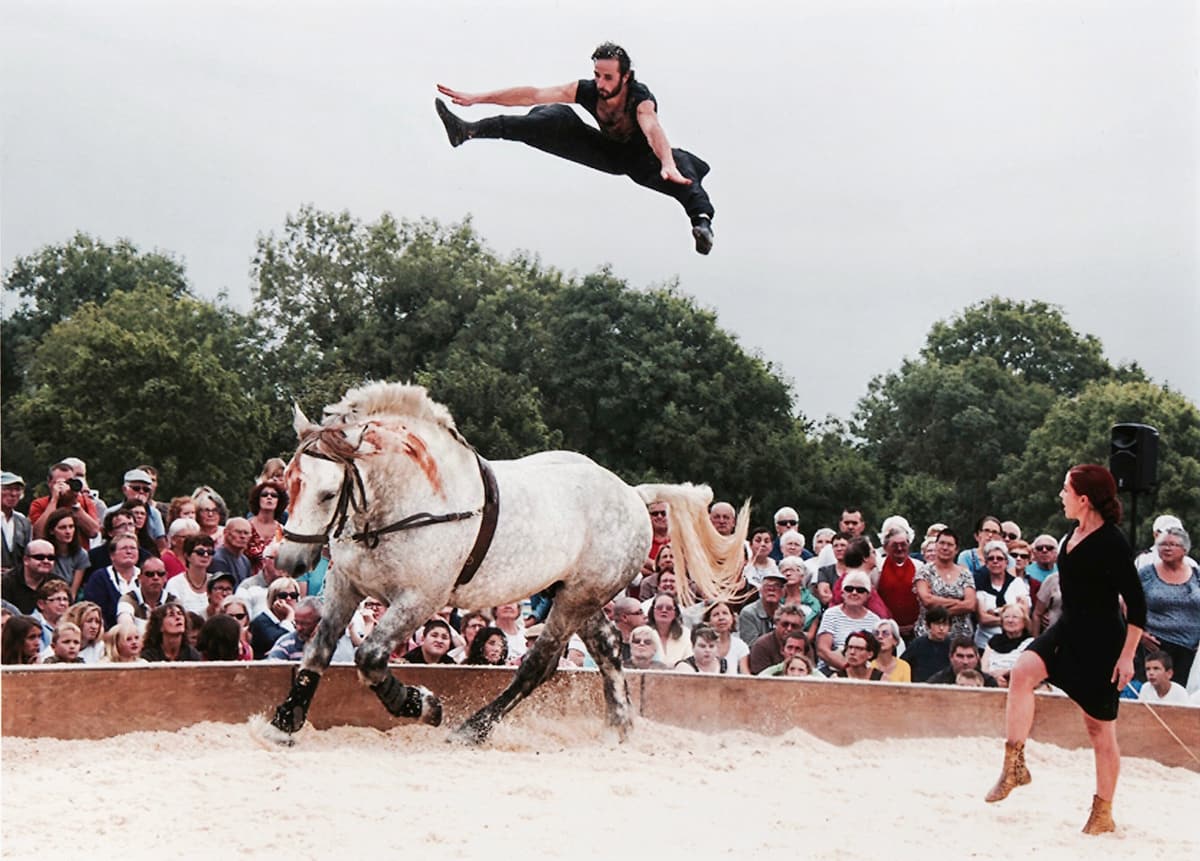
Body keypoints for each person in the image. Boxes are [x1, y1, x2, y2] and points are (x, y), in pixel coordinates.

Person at [435, 41, 717, 254]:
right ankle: (468, 131)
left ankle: (702, 225)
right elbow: (531, 95)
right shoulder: (587, 90)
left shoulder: (640, 99)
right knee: (553, 115)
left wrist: (666, 162)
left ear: (626, 77)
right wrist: (477, 98)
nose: (601, 84)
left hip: (642, 159)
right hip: (604, 152)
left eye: (608, 78)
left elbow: (652, 127)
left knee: (683, 170)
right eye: (597, 75)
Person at [985, 465, 1146, 836]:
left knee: (1099, 730)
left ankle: (1103, 812)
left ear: (1084, 498)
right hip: (1068, 629)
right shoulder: (1070, 534)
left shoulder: (1112, 542)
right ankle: (1014, 765)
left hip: (1103, 642)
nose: (1061, 495)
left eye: (1065, 490)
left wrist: (1126, 656)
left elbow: (1137, 603)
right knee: (1022, 671)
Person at [1135, 525, 1200, 685]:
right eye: (1162, 544)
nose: (1167, 548)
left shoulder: (1197, 575)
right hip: (1155, 647)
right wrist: (1140, 633)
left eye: (1172, 544)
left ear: (1184, 549)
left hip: (1190, 649)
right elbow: (1126, 603)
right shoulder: (1146, 574)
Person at [912, 528, 977, 642]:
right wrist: (957, 602)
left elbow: (970, 604)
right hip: (929, 636)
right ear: (936, 545)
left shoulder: (965, 574)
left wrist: (938, 614)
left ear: (956, 549)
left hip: (960, 637)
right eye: (942, 543)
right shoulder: (924, 572)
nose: (945, 547)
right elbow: (927, 600)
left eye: (950, 544)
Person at [814, 570, 881, 674]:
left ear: (868, 595)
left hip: (863, 673)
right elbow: (822, 650)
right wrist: (848, 670)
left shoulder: (875, 620)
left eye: (860, 590)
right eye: (849, 589)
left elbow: (875, 654)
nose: (854, 593)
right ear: (842, 593)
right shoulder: (831, 614)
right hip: (831, 671)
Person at [973, 539, 1031, 651]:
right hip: (984, 645)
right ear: (986, 563)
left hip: (1015, 645)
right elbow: (983, 619)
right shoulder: (979, 586)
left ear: (1006, 562)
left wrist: (995, 612)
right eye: (991, 558)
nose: (995, 561)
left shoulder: (1017, 583)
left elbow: (1024, 615)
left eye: (999, 558)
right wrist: (1012, 616)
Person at [28, 461, 100, 544]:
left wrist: (74, 504)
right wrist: (54, 500)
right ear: (50, 483)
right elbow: (39, 535)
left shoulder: (85, 502)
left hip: (78, 554)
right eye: (61, 483)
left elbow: (93, 532)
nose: (66, 487)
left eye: (69, 482)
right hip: (51, 554)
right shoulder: (39, 504)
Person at [82, 533, 143, 628]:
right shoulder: (100, 578)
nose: (129, 551)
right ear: (112, 555)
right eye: (124, 548)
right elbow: (94, 611)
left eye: (133, 548)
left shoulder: (147, 575)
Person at [875, 523, 920, 639]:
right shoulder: (877, 567)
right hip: (886, 630)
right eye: (895, 545)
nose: (899, 548)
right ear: (885, 547)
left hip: (914, 629)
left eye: (903, 544)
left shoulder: (919, 566)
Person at [745, 605, 810, 675]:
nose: (789, 629)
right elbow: (761, 679)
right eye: (785, 624)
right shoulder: (761, 645)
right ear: (776, 623)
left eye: (794, 626)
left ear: (801, 628)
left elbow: (811, 671)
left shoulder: (804, 643)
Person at [981, 604, 1034, 688]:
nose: (1010, 620)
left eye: (1015, 617)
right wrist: (994, 677)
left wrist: (1005, 673)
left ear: (1024, 622)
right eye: (1006, 617)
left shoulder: (1031, 643)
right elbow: (984, 667)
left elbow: (1029, 669)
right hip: (991, 682)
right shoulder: (993, 641)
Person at [165, 535, 217, 616]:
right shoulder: (175, 583)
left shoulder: (216, 581)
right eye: (200, 552)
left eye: (210, 552)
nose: (206, 555)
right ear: (187, 556)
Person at [250, 577, 301, 659]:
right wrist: (289, 615)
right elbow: (281, 643)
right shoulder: (260, 622)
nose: (289, 599)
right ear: (273, 599)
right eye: (283, 596)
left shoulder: (299, 622)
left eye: (293, 595)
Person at [2, 539, 57, 614]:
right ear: (26, 560)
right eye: (40, 557)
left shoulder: (57, 583)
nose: (46, 561)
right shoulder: (6, 582)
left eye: (51, 558)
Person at [903, 605, 953, 682]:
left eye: (945, 624)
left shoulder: (953, 646)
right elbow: (904, 664)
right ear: (928, 625)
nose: (941, 628)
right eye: (937, 624)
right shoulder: (917, 644)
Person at [246, 482, 287, 572]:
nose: (269, 497)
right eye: (264, 495)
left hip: (274, 581)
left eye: (274, 495)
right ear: (258, 499)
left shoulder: (282, 531)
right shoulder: (246, 527)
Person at [738, 569, 785, 646]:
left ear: (783, 592)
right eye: (767, 585)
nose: (771, 589)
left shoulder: (786, 613)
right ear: (761, 590)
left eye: (777, 585)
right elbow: (751, 645)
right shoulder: (748, 613)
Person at [118, 556, 170, 625]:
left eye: (160, 574)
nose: (156, 577)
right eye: (150, 574)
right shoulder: (129, 598)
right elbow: (124, 620)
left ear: (165, 577)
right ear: (140, 578)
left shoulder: (172, 601)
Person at [927, 636, 997, 687]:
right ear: (951, 657)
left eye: (970, 656)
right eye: (960, 656)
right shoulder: (937, 683)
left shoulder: (989, 683)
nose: (965, 662)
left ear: (977, 658)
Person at [701, 601, 748, 674]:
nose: (721, 618)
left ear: (732, 618)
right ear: (708, 621)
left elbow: (746, 676)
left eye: (725, 613)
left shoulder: (740, 646)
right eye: (716, 614)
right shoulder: (701, 645)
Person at [1, 471, 32, 576]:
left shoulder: (23, 522)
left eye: (17, 490)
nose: (13, 494)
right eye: (7, 489)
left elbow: (28, 554)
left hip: (15, 582)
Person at [649, 592, 692, 666]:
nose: (664, 610)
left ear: (675, 613)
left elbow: (689, 661)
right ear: (653, 611)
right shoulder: (643, 632)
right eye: (659, 607)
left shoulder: (686, 634)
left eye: (669, 608)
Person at [209, 517, 253, 585]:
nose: (242, 536)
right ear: (225, 532)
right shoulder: (218, 559)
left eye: (246, 533)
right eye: (238, 532)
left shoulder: (245, 560)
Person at [31, 579, 71, 649]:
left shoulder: (70, 624)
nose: (63, 603)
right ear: (41, 604)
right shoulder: (31, 624)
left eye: (65, 599)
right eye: (58, 599)